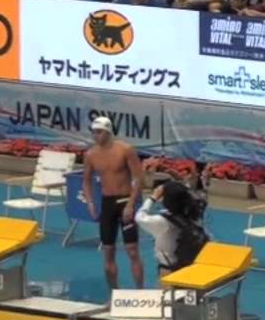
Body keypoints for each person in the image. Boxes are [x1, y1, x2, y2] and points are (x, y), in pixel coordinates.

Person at [82, 116, 145, 290]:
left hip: (125, 200)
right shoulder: (91, 155)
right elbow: (86, 181)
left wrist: (131, 204)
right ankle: (114, 293)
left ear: (108, 132)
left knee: (132, 250)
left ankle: (140, 292)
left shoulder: (125, 150)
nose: (95, 136)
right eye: (93, 132)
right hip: (107, 203)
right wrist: (90, 203)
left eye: (99, 132)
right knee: (108, 252)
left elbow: (138, 178)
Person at [135, 180, 209, 278]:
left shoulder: (163, 222)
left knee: (167, 288)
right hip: (189, 267)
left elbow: (139, 217)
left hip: (169, 269)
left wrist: (152, 198)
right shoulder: (193, 215)